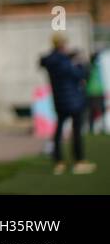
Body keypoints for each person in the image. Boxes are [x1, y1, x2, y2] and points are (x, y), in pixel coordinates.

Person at [39, 33, 96, 175]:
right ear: (63, 44)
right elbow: (80, 75)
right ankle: (79, 161)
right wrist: (83, 64)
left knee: (58, 131)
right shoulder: (65, 62)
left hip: (59, 100)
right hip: (74, 100)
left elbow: (49, 61)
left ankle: (58, 162)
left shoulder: (51, 61)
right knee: (76, 132)